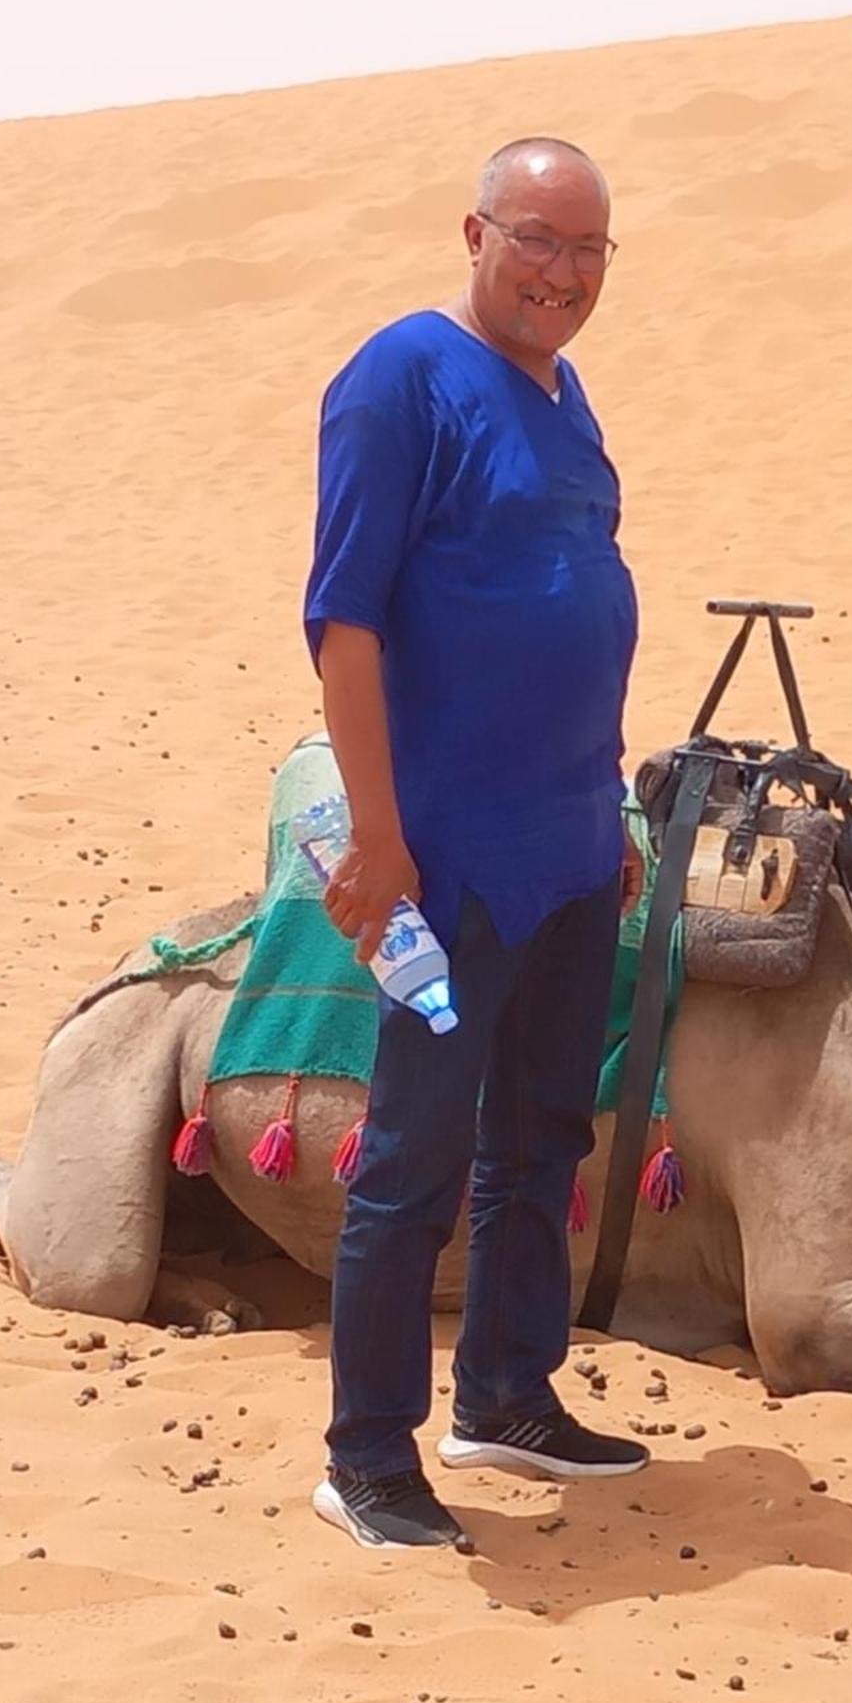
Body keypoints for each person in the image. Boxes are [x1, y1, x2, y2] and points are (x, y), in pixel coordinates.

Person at [303, 138, 647, 1551]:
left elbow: (579, 601)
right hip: (447, 861)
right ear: (474, 232)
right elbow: (347, 620)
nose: (562, 274)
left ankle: (506, 1393)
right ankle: (367, 1455)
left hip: (569, 843)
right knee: (414, 1159)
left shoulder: (567, 401)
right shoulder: (401, 377)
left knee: (543, 1136)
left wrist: (606, 803)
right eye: (538, 240)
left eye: (589, 251)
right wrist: (380, 842)